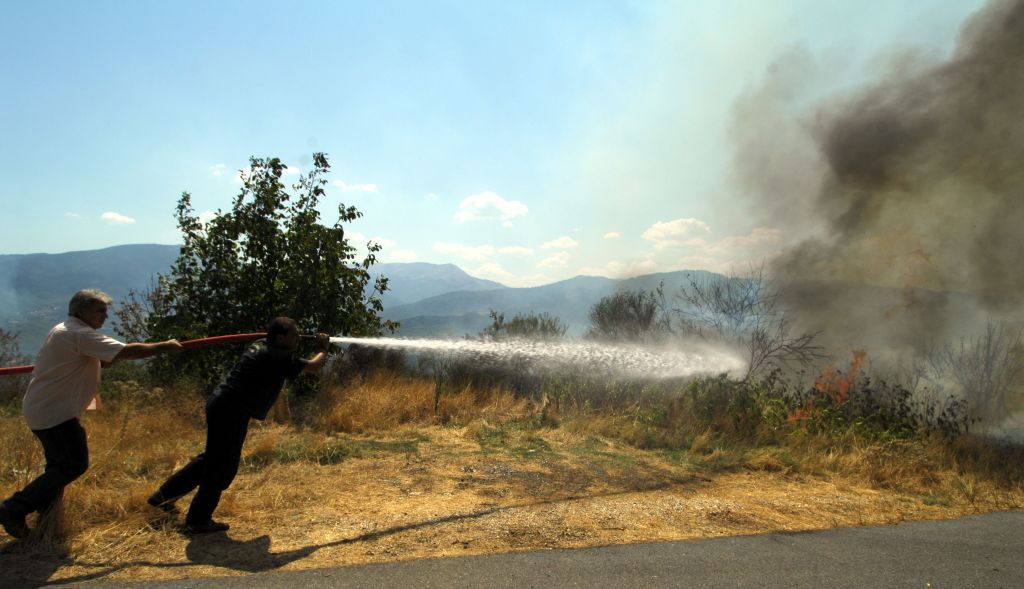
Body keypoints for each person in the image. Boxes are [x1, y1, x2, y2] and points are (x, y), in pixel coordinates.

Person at [0, 289, 183, 539]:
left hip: (45, 409)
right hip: (55, 413)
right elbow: (126, 351)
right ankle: (13, 508)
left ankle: (47, 522)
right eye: (100, 311)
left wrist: (102, 360)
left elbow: (94, 357)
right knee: (73, 465)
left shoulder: (65, 330)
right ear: (81, 311)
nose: (105, 317)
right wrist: (165, 346)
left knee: (58, 467)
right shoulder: (77, 333)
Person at [146, 317, 330, 534]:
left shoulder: (263, 344)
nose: (298, 337)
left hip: (223, 405)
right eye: (294, 334)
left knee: (211, 459)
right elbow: (314, 366)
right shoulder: (274, 355)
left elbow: (287, 349)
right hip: (231, 410)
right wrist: (322, 348)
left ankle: (163, 497)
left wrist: (301, 340)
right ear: (280, 337)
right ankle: (198, 519)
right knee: (222, 467)